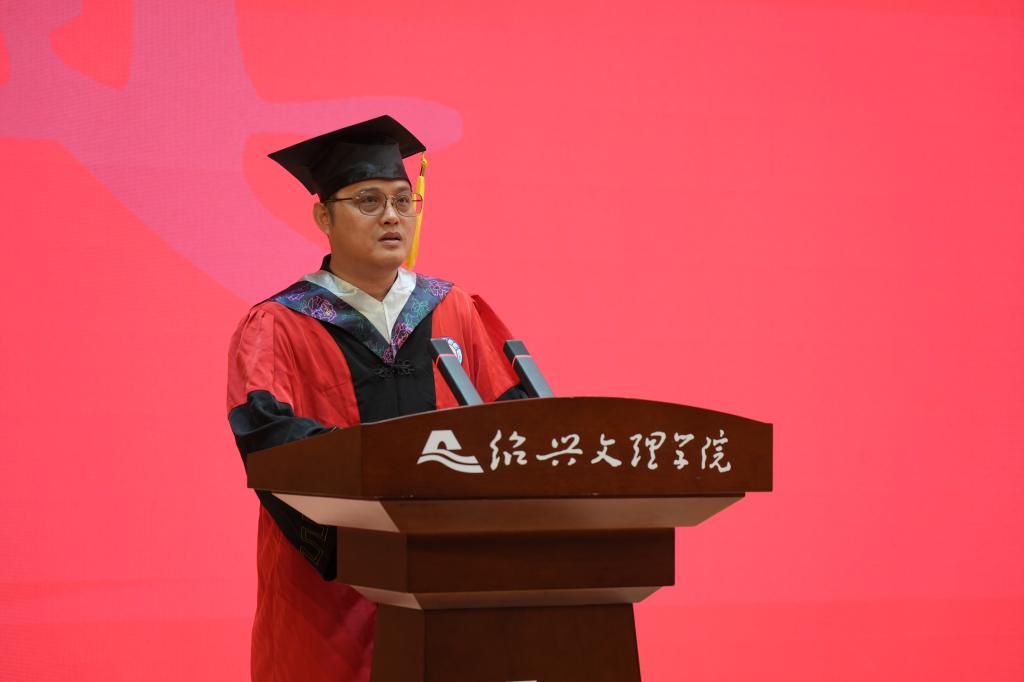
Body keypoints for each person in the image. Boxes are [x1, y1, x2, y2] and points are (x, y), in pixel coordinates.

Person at [226, 115, 526, 681]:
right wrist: (379, 506)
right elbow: (269, 443)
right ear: (323, 216)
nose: (392, 216)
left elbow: (516, 425)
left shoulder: (453, 308)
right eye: (369, 200)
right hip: (329, 589)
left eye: (402, 200)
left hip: (448, 581)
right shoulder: (278, 324)